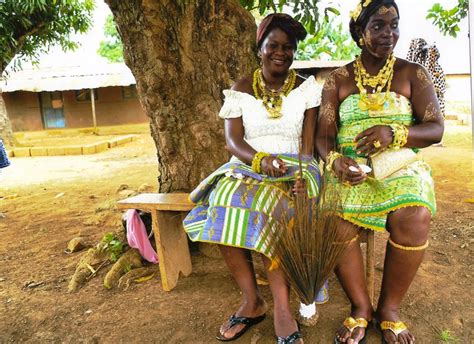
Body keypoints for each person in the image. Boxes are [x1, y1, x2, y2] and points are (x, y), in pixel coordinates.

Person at [183, 13, 325, 343]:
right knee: (222, 202)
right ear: (258, 48)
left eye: (288, 47)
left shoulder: (307, 89)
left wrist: (302, 174)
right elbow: (232, 142)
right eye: (273, 45)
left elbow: (308, 146)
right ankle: (252, 300)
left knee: (272, 208)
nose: (281, 53)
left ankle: (282, 308)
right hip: (248, 163)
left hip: (296, 167)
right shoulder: (240, 90)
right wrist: (261, 160)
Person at [315, 1, 444, 343]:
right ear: (359, 33)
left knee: (414, 215)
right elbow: (323, 137)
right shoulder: (337, 80)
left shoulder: (413, 73)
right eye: (378, 26)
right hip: (350, 170)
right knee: (333, 218)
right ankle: (360, 308)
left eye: (394, 25)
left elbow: (435, 129)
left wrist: (395, 133)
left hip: (399, 167)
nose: (389, 34)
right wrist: (335, 162)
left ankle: (389, 309)